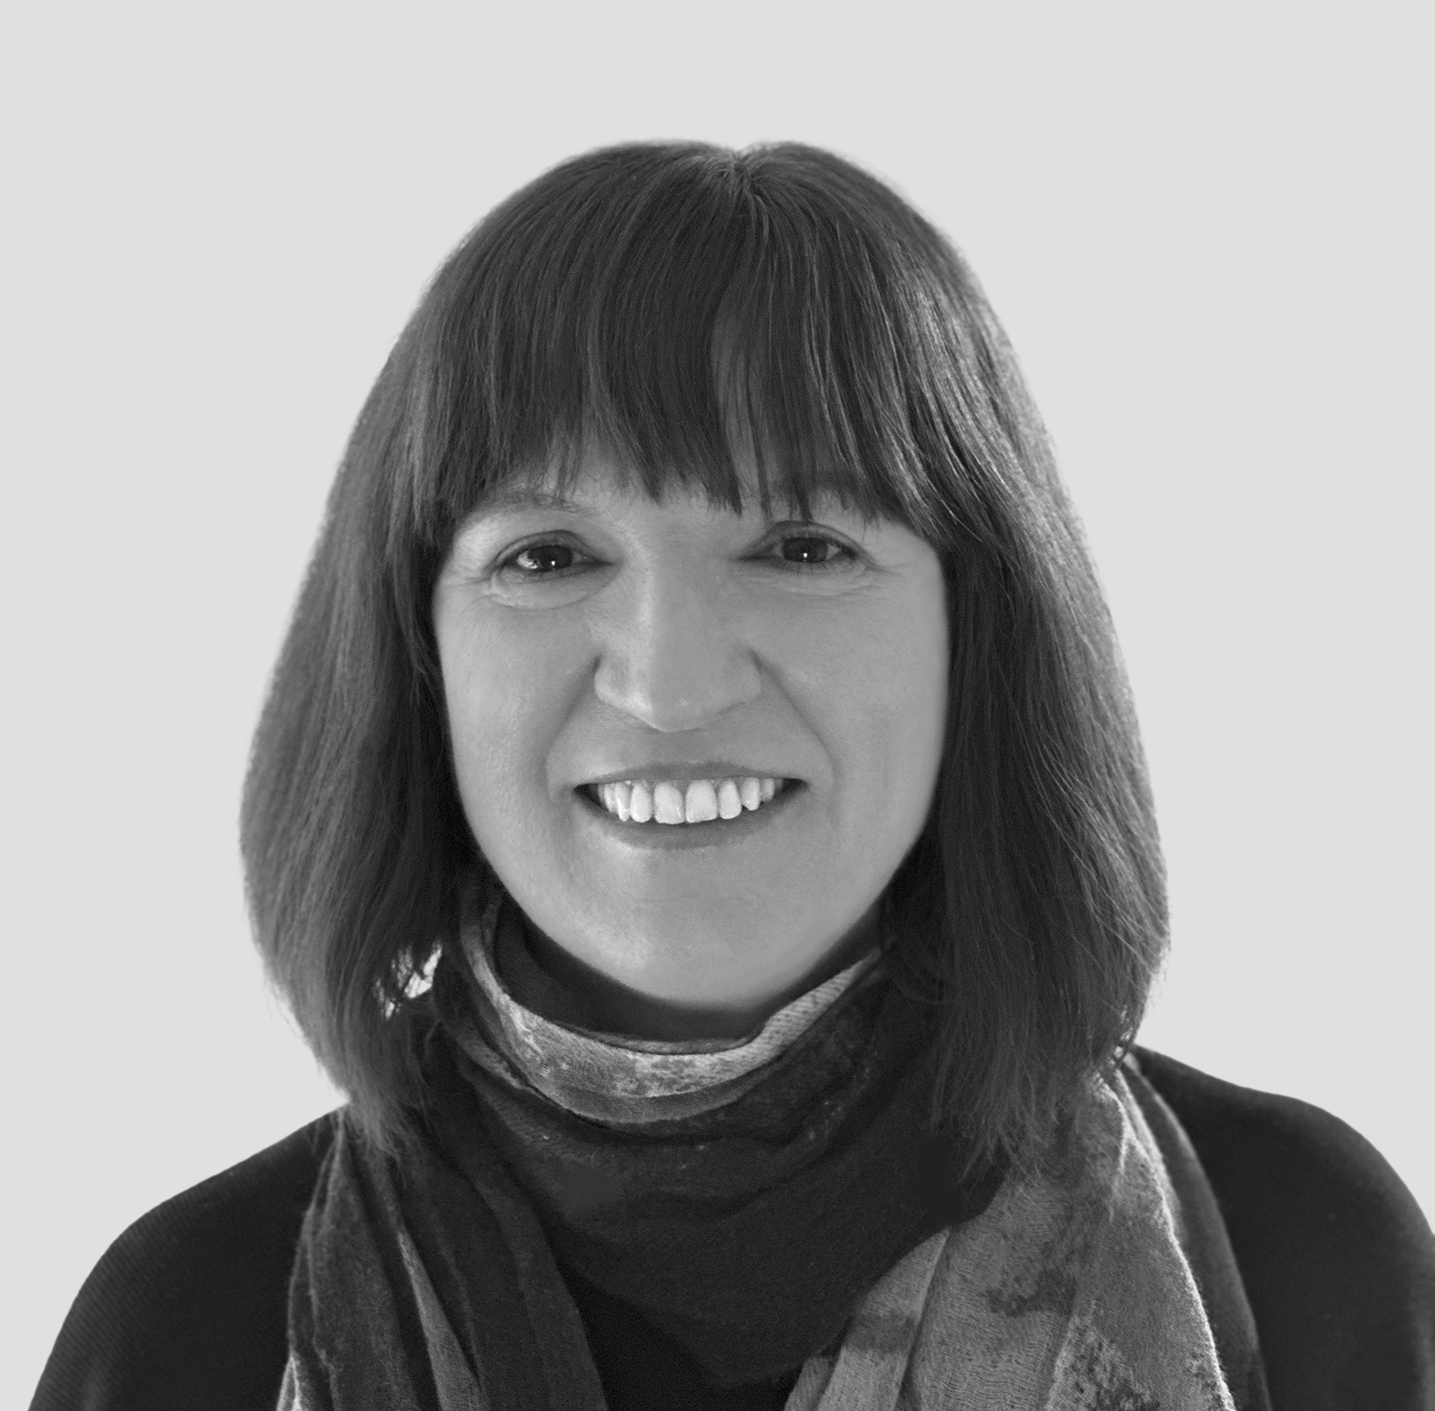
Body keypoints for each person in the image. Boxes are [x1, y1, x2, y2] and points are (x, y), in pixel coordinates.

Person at [30, 140, 1434, 1411]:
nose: (671, 680)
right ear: (415, 655)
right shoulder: (188, 1330)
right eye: (548, 555)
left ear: (982, 633)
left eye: (806, 546)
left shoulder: (1300, 1257)